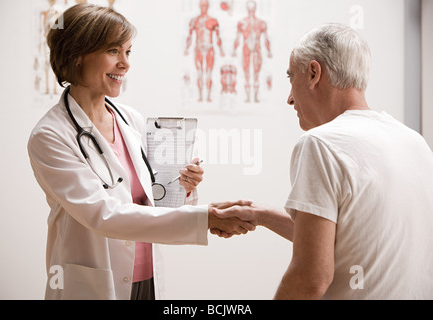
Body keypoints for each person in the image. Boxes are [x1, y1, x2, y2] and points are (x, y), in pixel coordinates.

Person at [28, 4, 255, 300]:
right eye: (113, 51)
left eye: (128, 52)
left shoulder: (131, 120)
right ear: (77, 55)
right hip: (94, 284)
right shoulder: (50, 136)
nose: (125, 63)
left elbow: (155, 205)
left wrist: (184, 188)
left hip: (147, 280)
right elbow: (103, 215)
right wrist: (205, 219)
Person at [212, 23, 433, 299]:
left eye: (291, 77)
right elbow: (344, 236)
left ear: (314, 73)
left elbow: (310, 277)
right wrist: (261, 215)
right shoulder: (415, 143)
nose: (290, 98)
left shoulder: (321, 144)